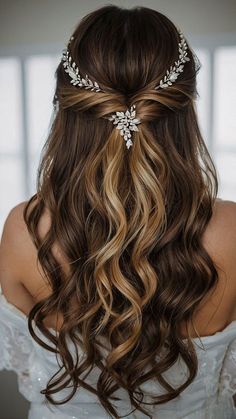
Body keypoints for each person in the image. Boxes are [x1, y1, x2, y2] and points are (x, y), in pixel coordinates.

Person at [0, 4, 236, 419]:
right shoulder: (231, 232)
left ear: (67, 108)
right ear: (186, 107)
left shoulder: (25, 231)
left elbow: (27, 368)